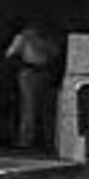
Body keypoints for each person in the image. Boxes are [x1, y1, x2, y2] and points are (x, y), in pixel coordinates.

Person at [5, 16, 67, 152]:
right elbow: (11, 55)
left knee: (46, 108)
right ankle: (25, 141)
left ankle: (46, 141)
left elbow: (55, 55)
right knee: (29, 107)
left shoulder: (49, 37)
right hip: (29, 73)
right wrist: (25, 67)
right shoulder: (24, 37)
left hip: (45, 73)